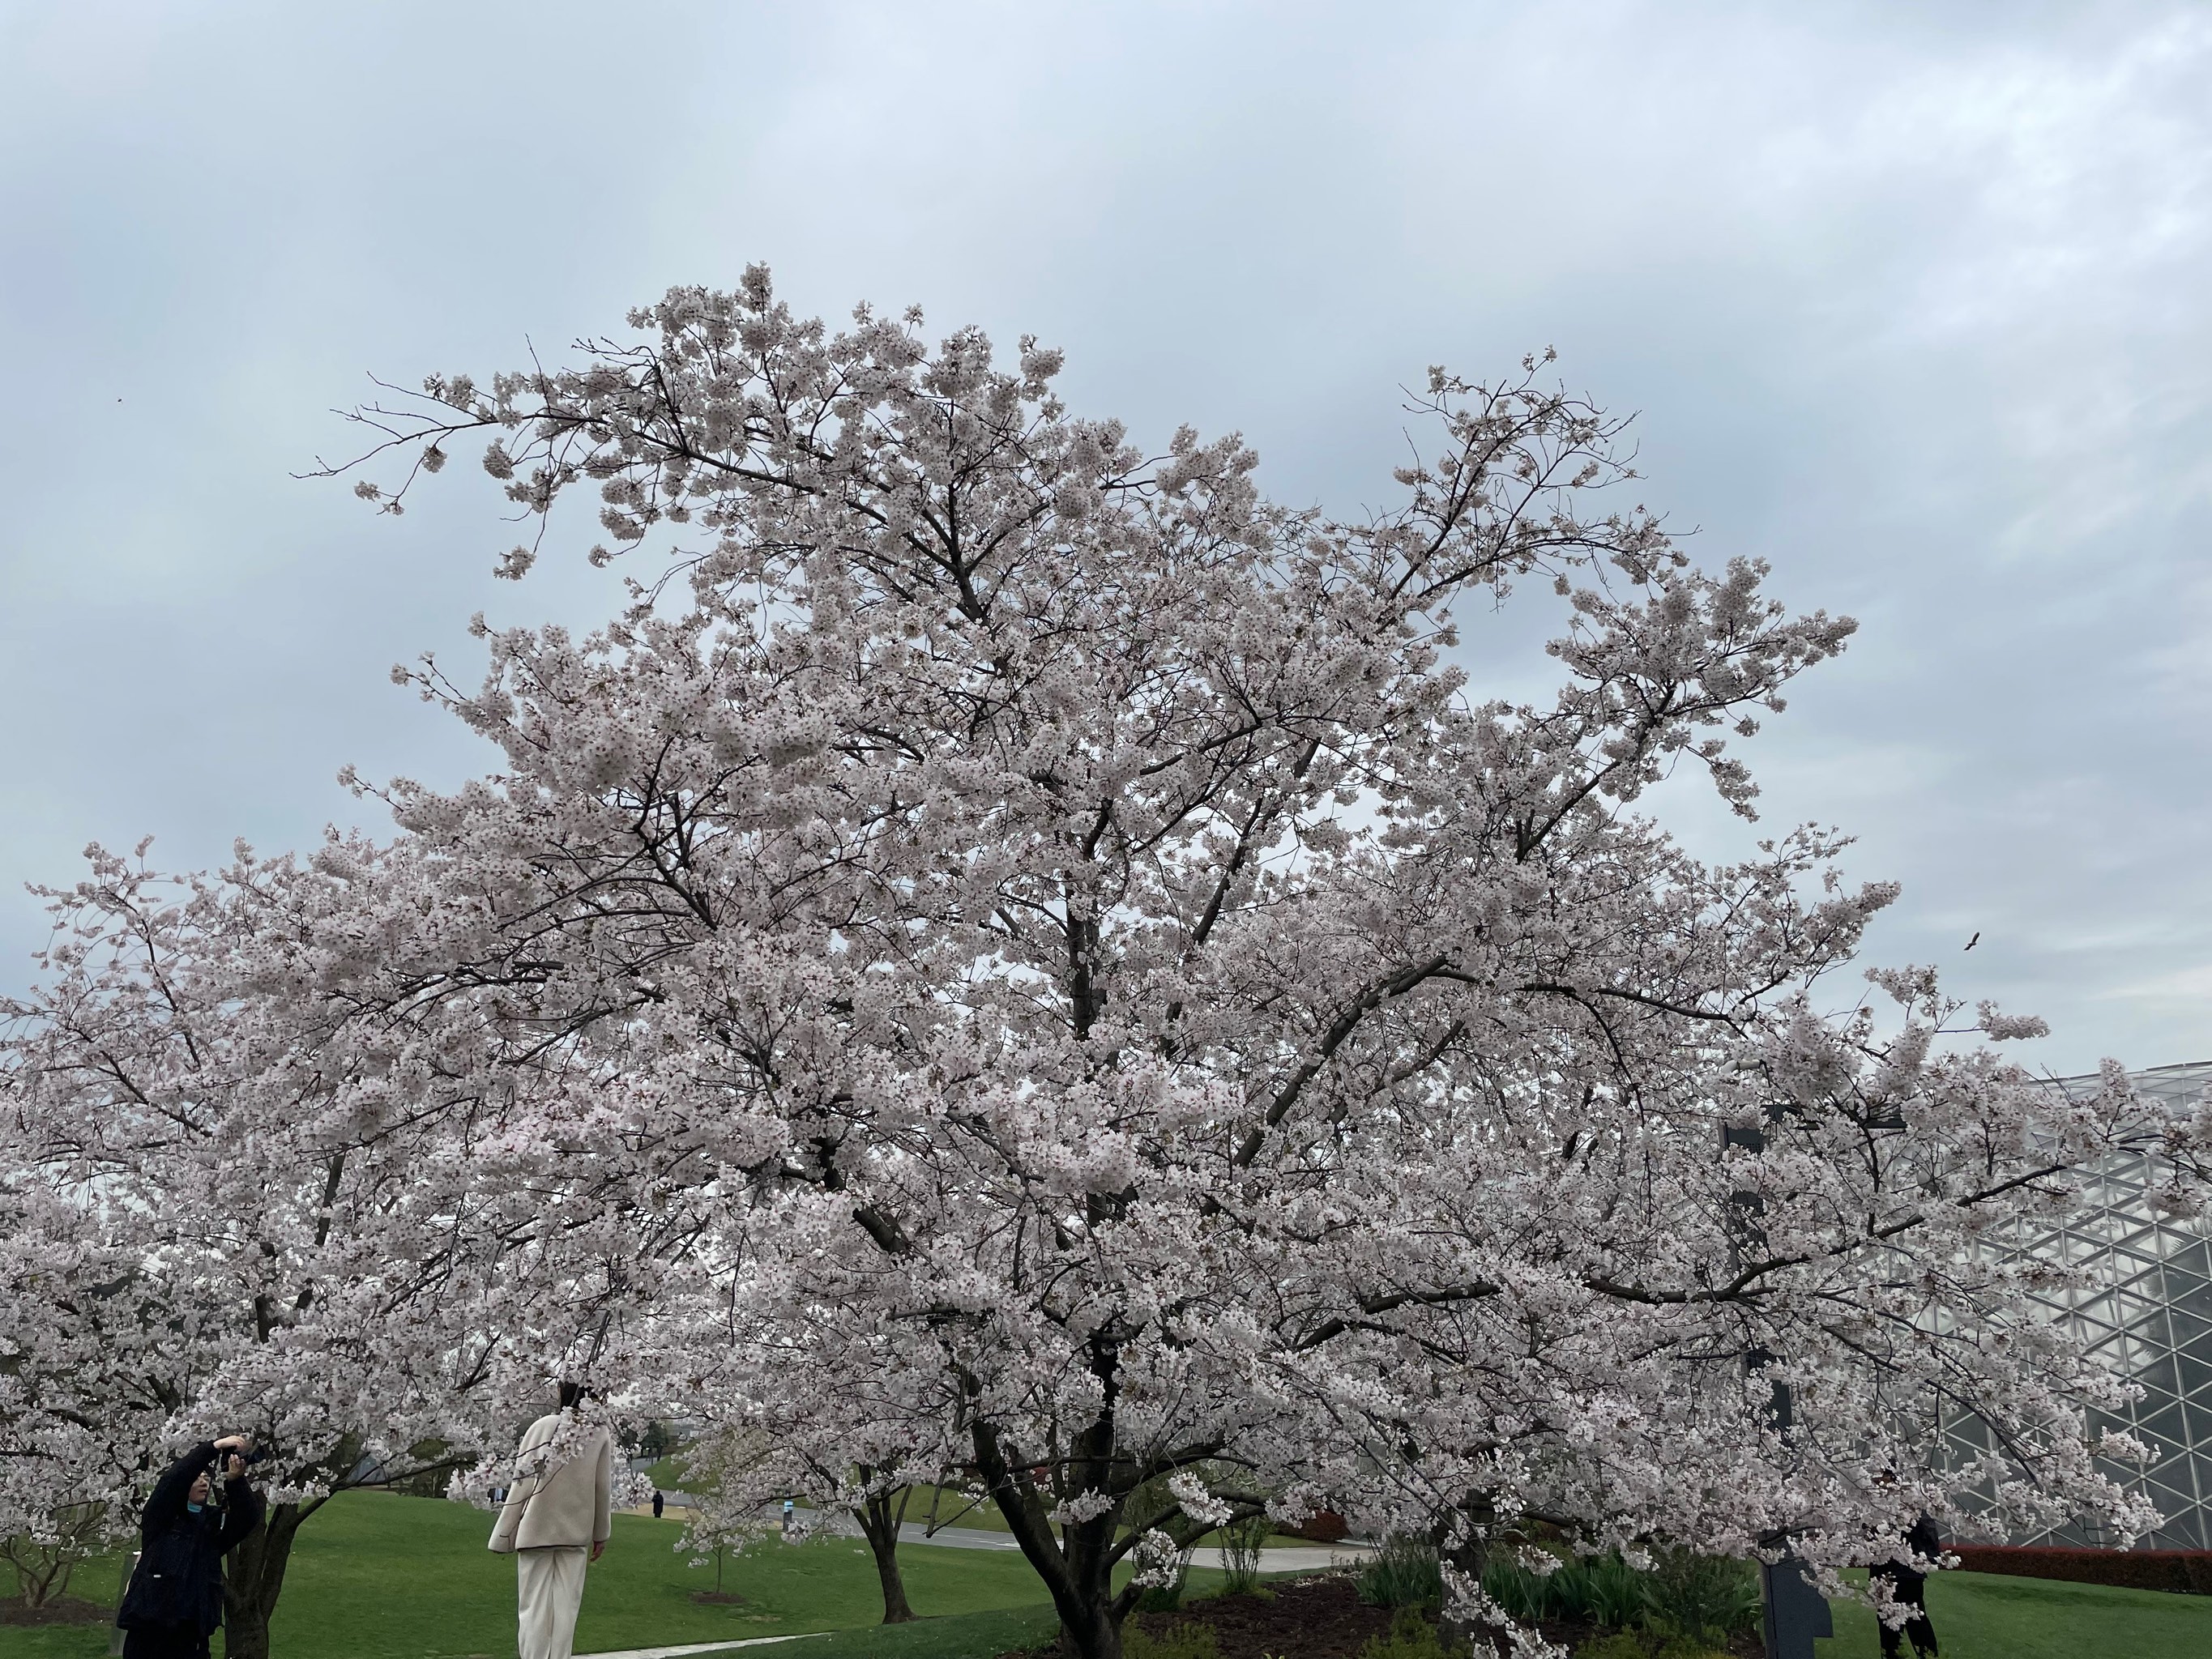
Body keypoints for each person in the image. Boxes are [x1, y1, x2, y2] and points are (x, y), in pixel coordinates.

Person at [489, 1383, 613, 1659]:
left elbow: (521, 1482)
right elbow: (602, 1488)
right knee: (566, 1610)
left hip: (536, 1530)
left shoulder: (542, 1427)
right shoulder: (599, 1432)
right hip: (575, 1534)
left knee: (532, 1609)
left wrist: (505, 1532)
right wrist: (601, 1533)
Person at [116, 1434, 262, 1659]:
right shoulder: (161, 1519)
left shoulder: (212, 1526)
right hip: (149, 1631)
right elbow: (172, 1482)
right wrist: (212, 1448)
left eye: (206, 1478)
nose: (203, 1482)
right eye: (197, 1478)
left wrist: (235, 1481)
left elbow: (247, 1519)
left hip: (192, 1635)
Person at [1873, 1514, 1942, 1658]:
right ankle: (1926, 1654)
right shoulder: (1917, 1510)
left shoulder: (1882, 1509)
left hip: (1895, 1572)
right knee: (1913, 1620)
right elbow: (1931, 1538)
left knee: (1897, 1622)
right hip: (1906, 1573)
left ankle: (1897, 1653)